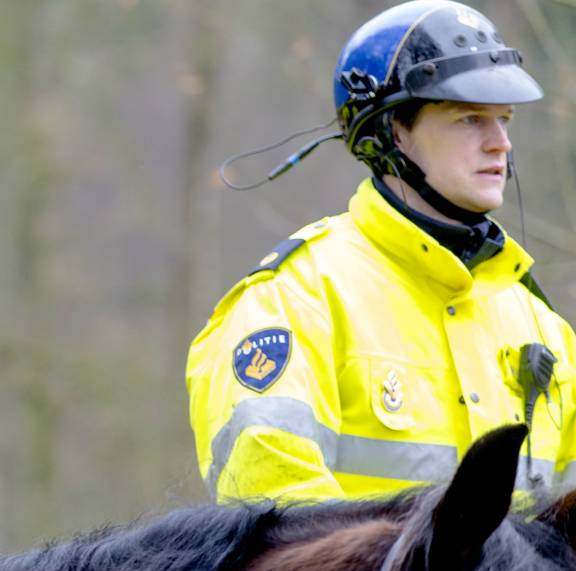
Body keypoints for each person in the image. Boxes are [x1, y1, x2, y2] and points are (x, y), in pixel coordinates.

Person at [187, 0, 576, 503]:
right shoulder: (295, 301)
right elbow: (279, 537)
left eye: (504, 120)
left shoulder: (544, 329)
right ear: (392, 132)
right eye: (469, 119)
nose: (500, 143)